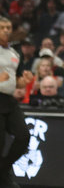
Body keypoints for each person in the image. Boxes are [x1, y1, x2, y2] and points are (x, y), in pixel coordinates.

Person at [0, 18, 29, 188]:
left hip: (9, 101)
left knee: (24, 136)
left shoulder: (14, 53)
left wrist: (24, 81)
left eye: (8, 28)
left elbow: (17, 80)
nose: (6, 30)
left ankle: (3, 168)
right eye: (2, 27)